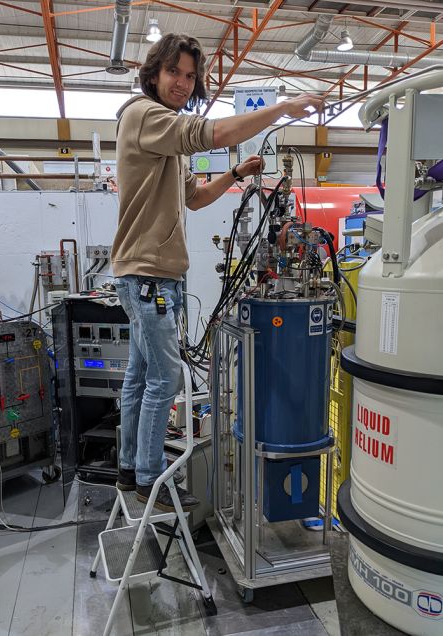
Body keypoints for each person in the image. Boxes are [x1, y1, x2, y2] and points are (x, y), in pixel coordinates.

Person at [111, 33, 324, 512]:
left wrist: (237, 175)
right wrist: (282, 107)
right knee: (165, 381)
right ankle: (149, 480)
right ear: (154, 73)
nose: (183, 84)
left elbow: (195, 197)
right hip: (148, 276)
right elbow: (214, 133)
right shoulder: (145, 115)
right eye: (174, 73)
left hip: (147, 274)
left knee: (141, 377)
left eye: (190, 76)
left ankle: (129, 468)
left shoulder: (163, 135)